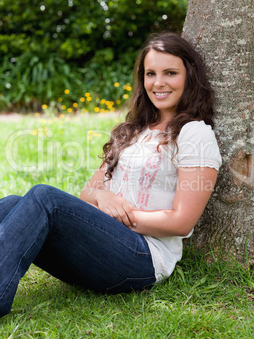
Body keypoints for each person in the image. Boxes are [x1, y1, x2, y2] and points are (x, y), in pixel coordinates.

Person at [0, 32, 222, 318]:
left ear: (189, 76)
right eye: (150, 73)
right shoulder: (134, 130)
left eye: (170, 73)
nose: (158, 83)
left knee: (45, 197)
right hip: (103, 243)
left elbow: (182, 221)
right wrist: (103, 197)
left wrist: (119, 217)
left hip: (141, 257)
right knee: (12, 203)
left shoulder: (195, 133)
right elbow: (87, 193)